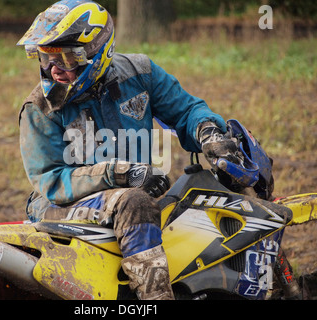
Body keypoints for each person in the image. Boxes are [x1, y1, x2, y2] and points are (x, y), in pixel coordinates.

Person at [17, 0, 250, 300]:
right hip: (57, 203)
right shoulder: (38, 107)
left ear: (97, 52)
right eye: (45, 57)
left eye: (65, 58)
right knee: (135, 203)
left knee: (193, 199)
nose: (54, 69)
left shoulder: (139, 73)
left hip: (129, 191)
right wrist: (121, 174)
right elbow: (50, 179)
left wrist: (208, 132)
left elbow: (186, 110)